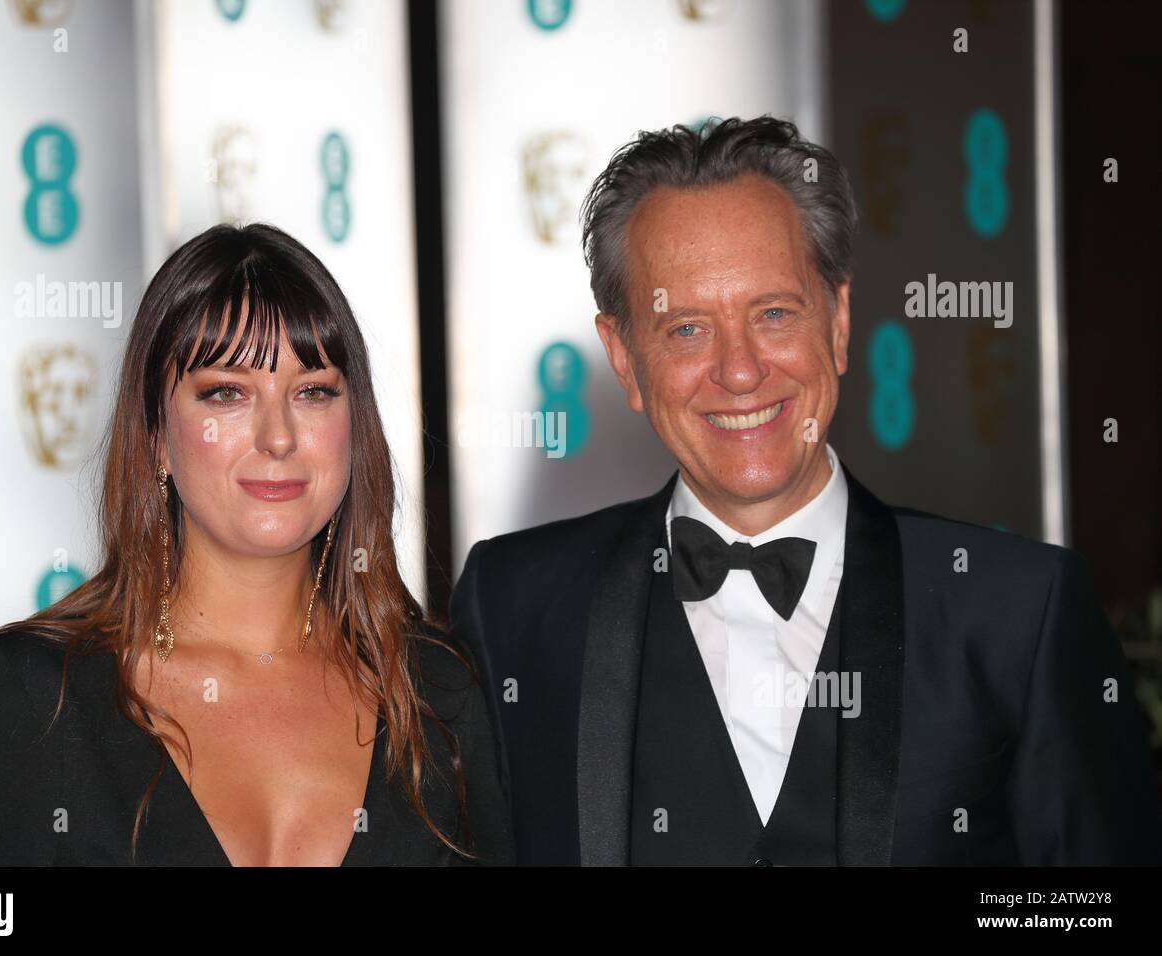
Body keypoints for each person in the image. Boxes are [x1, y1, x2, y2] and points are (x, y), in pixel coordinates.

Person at [450, 116, 1162, 866]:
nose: (741, 371)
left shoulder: (1020, 609)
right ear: (624, 358)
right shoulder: (513, 607)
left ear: (841, 322)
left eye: (775, 314)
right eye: (687, 329)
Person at [0, 223, 513, 866]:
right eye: (227, 392)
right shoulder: (38, 695)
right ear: (158, 435)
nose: (278, 437)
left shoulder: (438, 696)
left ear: (353, 426)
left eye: (312, 392)